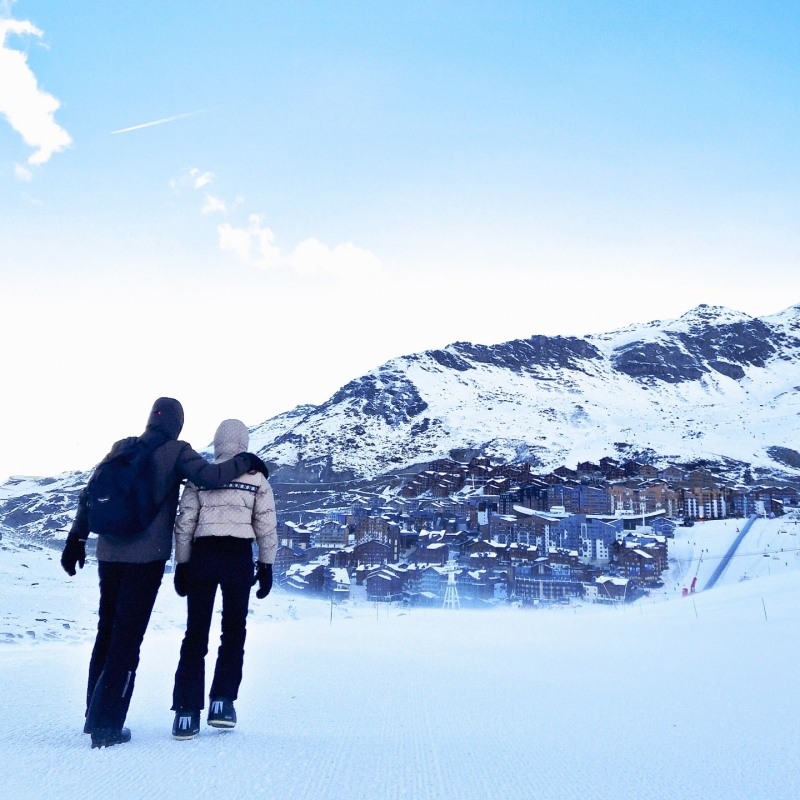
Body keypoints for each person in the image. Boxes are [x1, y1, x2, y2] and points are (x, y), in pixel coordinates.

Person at [60, 397, 268, 749]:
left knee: (106, 631)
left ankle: (93, 715)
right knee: (127, 641)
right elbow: (210, 476)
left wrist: (76, 537)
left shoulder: (123, 447)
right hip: (146, 559)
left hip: (108, 553)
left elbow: (90, 492)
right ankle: (108, 726)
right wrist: (246, 461)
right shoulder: (177, 451)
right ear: (177, 424)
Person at [171, 418, 277, 740]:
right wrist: (266, 565)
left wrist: (182, 564)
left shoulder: (200, 475)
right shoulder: (257, 477)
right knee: (233, 631)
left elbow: (185, 522)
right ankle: (222, 703)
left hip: (203, 555)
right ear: (243, 442)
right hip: (237, 558)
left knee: (195, 634)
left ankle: (186, 714)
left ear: (217, 442)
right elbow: (266, 525)